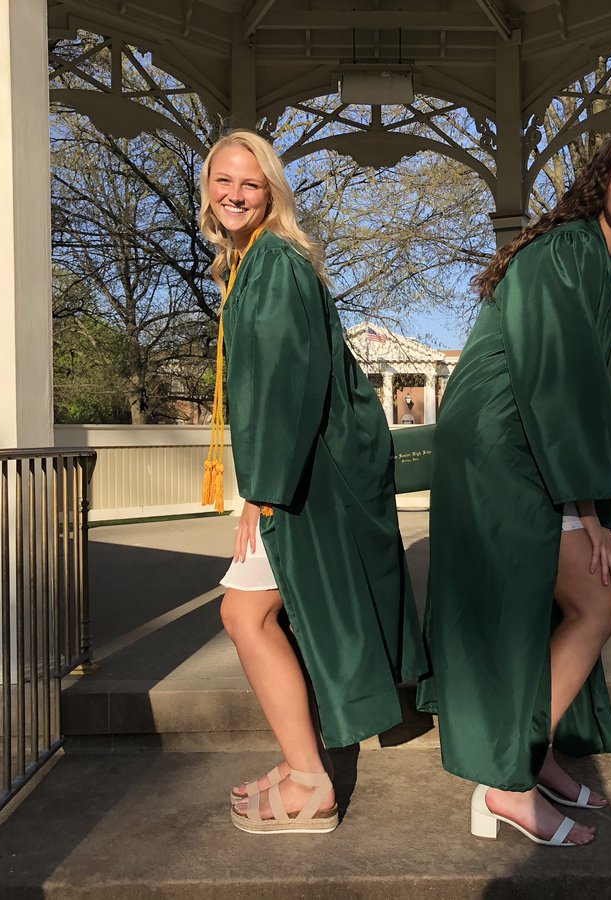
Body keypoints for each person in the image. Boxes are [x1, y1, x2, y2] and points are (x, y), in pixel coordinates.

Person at [417, 133, 611, 847]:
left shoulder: (594, 257)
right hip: (506, 445)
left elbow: (584, 386)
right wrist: (586, 509)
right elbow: (556, 382)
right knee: (600, 596)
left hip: (514, 439)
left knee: (565, 603)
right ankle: (507, 783)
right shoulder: (571, 251)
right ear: (602, 183)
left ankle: (532, 760)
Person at [199, 130, 426, 835]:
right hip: (307, 465)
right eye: (223, 181)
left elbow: (287, 385)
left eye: (251, 184)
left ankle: (309, 781)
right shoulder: (255, 263)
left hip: (303, 472)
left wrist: (261, 491)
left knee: (245, 615)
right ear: (207, 188)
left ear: (271, 193)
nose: (235, 194)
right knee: (269, 613)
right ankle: (305, 764)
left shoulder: (271, 263)